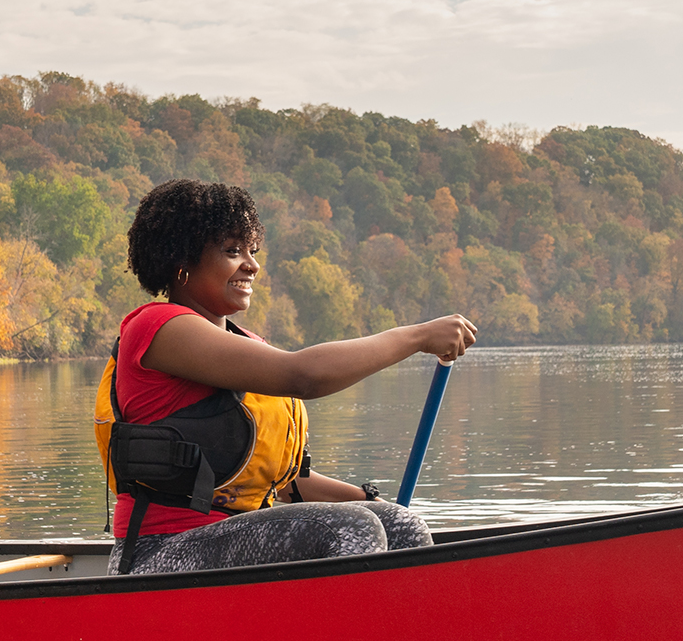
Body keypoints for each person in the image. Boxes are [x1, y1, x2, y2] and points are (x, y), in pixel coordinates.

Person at [97, 178, 476, 575]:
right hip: (160, 554)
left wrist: (371, 499)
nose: (252, 265)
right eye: (232, 251)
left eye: (253, 250)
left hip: (236, 539)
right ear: (181, 260)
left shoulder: (243, 343)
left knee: (400, 524)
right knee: (350, 528)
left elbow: (287, 482)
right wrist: (416, 336)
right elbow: (304, 377)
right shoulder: (159, 327)